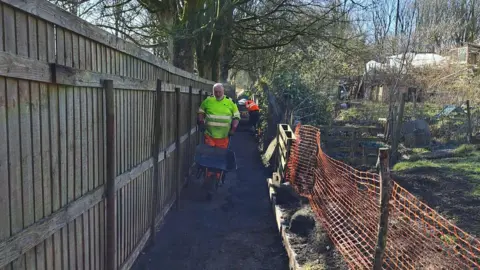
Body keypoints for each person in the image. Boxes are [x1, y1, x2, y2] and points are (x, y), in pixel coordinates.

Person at [197, 83, 240, 179]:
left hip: (223, 136)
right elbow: (201, 112)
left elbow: (236, 117)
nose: (217, 93)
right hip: (209, 135)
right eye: (215, 92)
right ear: (213, 92)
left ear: (223, 91)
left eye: (219, 92)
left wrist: (233, 129)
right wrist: (201, 122)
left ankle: (217, 176)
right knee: (209, 155)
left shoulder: (230, 102)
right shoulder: (208, 101)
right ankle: (208, 175)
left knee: (220, 157)